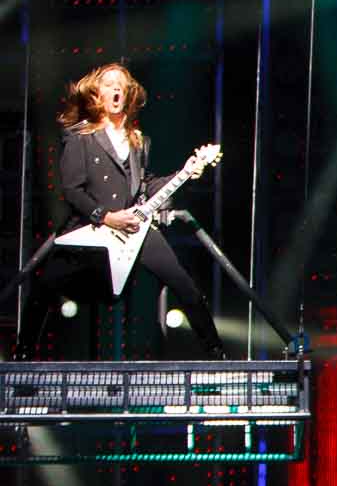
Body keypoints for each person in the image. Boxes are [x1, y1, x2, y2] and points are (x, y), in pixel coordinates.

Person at [11, 62, 226, 359]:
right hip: (91, 227)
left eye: (122, 86)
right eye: (110, 84)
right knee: (46, 285)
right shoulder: (80, 138)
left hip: (133, 228)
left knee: (183, 282)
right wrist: (106, 216)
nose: (116, 89)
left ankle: (217, 353)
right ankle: (22, 354)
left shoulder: (138, 142)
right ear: (97, 94)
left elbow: (146, 185)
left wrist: (187, 172)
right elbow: (72, 190)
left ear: (128, 95)